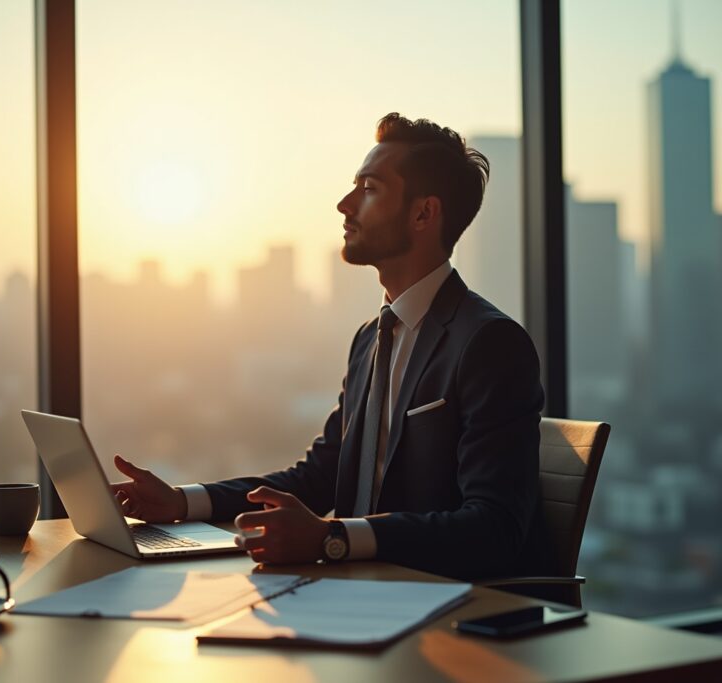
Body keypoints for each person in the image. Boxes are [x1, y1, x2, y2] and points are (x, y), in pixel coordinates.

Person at [112, 113, 549, 582]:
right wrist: (183, 502)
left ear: (424, 213)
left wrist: (331, 539)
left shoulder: (487, 343)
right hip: (357, 592)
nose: (344, 204)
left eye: (369, 188)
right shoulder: (370, 339)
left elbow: (494, 528)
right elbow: (319, 477)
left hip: (439, 611)